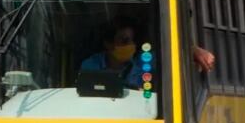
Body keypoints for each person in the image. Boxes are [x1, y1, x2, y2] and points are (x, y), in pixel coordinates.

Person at [79, 21, 216, 90]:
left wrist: (194, 50)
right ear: (108, 44)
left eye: (132, 40)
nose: (130, 45)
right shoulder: (90, 66)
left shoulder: (143, 62)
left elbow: (174, 53)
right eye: (124, 41)